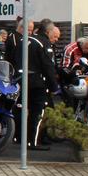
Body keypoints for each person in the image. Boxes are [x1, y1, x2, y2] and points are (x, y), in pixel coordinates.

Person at [24, 18, 61, 151]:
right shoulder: (43, 43)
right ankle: (32, 142)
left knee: (28, 112)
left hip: (24, 80)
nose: (56, 39)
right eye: (55, 35)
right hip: (38, 82)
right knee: (37, 112)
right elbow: (48, 67)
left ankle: (28, 139)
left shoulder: (27, 40)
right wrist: (54, 87)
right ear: (49, 31)